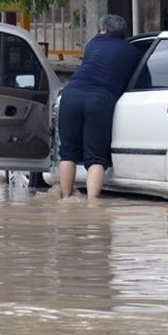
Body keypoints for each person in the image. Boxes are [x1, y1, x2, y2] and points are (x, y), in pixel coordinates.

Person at [57, 14, 142, 200]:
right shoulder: (133, 53)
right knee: (96, 158)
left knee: (68, 153)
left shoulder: (93, 45)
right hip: (100, 100)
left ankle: (65, 200)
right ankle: (92, 206)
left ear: (104, 30)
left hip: (71, 95)